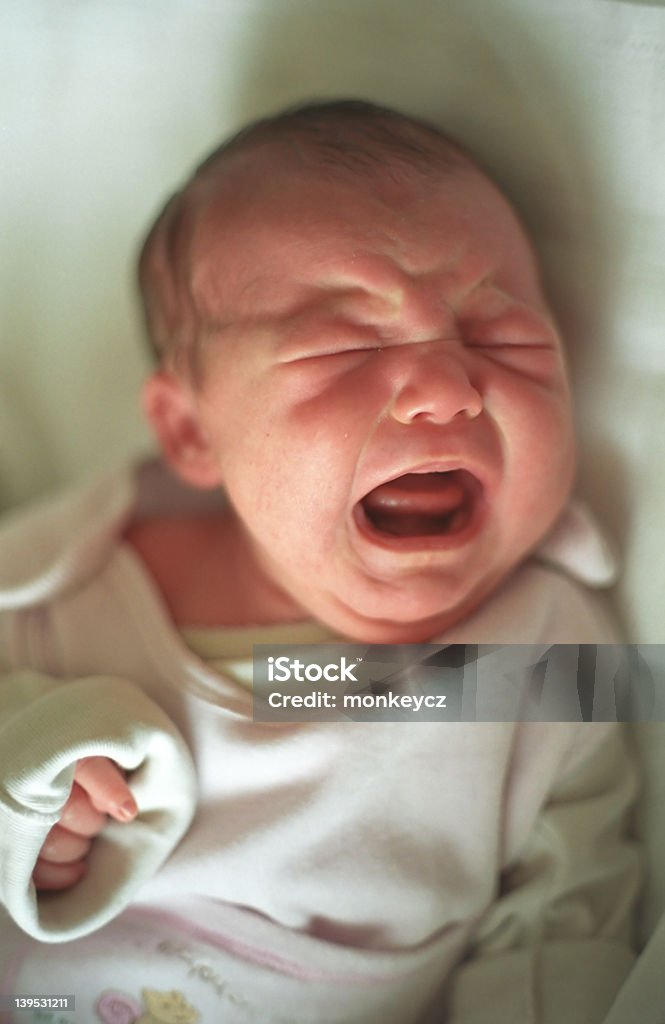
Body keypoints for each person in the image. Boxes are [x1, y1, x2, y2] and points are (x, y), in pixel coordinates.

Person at [0, 100, 639, 1023]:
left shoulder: (545, 659)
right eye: (345, 346)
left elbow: (566, 921)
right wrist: (25, 795)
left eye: (505, 342)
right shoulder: (57, 592)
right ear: (190, 429)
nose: (445, 389)